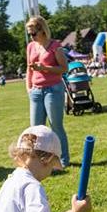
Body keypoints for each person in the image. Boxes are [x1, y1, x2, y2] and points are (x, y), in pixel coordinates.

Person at [25, 16, 70, 167]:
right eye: (29, 34)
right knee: (35, 129)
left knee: (55, 126)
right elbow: (28, 69)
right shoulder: (31, 46)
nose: (32, 37)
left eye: (33, 33)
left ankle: (62, 160)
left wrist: (44, 68)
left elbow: (64, 68)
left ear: (42, 31)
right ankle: (38, 161)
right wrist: (29, 88)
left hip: (53, 90)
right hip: (36, 91)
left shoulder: (55, 46)